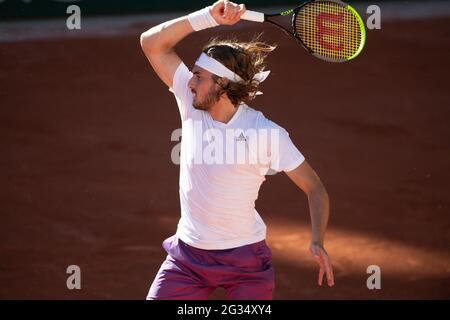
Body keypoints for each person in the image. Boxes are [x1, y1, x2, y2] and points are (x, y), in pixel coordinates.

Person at [140, 0, 334, 300]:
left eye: (199, 77)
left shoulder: (266, 133)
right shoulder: (191, 103)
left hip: (245, 262)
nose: (189, 83)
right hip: (187, 259)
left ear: (222, 85)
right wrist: (207, 17)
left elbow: (315, 188)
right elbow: (151, 43)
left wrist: (317, 240)